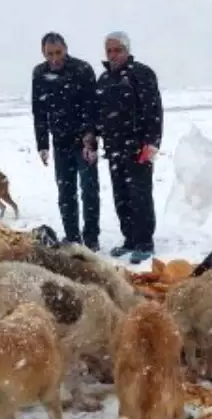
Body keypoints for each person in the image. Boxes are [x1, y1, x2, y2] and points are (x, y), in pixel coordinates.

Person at [90, 31, 162, 264]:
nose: (113, 55)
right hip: (114, 149)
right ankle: (129, 238)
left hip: (137, 148)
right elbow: (99, 116)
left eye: (117, 50)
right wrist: (93, 139)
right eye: (109, 50)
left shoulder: (141, 74)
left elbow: (154, 111)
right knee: (121, 196)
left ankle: (144, 241)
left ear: (127, 50)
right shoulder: (103, 80)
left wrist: (152, 142)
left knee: (139, 195)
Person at [31, 32, 101, 250]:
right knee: (65, 191)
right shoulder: (40, 74)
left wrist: (91, 139)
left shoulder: (82, 69)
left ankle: (91, 238)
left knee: (89, 190)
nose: (54, 58)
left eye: (58, 52)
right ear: (43, 52)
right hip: (60, 141)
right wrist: (42, 144)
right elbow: (39, 111)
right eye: (49, 54)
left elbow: (92, 106)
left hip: (83, 140)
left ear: (66, 49)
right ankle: (72, 237)